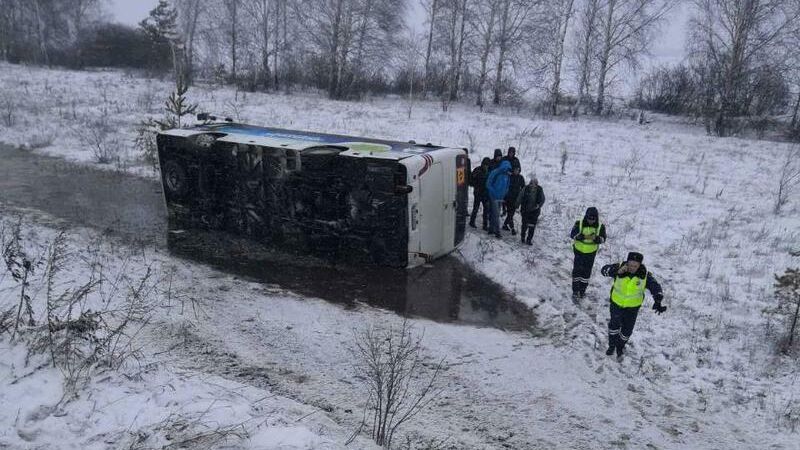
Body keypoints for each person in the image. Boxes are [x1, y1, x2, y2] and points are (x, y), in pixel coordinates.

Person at [600, 252, 666, 360]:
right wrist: (616, 271)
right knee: (614, 327)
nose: (632, 268)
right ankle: (612, 345)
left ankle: (620, 346)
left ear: (639, 265)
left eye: (635, 266)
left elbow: (655, 286)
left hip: (632, 309)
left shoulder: (644, 275)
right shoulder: (619, 267)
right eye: (630, 265)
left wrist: (658, 299)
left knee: (627, 331)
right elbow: (603, 270)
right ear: (627, 262)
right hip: (616, 304)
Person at [569, 207, 606, 299]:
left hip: (591, 253)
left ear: (596, 218)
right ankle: (575, 290)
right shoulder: (579, 223)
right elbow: (572, 234)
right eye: (589, 218)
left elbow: (603, 239)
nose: (591, 221)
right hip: (578, 252)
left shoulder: (600, 226)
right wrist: (579, 236)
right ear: (586, 216)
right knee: (577, 271)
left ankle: (582, 291)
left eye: (593, 219)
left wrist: (597, 239)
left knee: (586, 273)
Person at [485, 160, 512, 238]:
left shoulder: (507, 175)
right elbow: (488, 184)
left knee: (494, 213)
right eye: (507, 168)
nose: (508, 170)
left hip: (500, 198)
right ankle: (497, 232)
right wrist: (493, 192)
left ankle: (491, 229)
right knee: (496, 214)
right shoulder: (495, 172)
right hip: (493, 197)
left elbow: (507, 186)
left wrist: (504, 194)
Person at [516, 175, 545, 245]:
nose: (533, 185)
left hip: (535, 212)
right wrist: (517, 205)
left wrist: (538, 205)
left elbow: (543, 199)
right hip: (525, 210)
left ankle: (529, 239)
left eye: (535, 183)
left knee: (532, 226)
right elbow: (520, 197)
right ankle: (522, 237)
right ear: (530, 183)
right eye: (532, 183)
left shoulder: (540, 189)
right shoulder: (525, 189)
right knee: (524, 225)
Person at [469, 157, 491, 230]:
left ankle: (485, 225)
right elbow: (471, 180)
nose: (486, 166)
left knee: (486, 209)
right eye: (485, 165)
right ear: (482, 164)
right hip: (478, 192)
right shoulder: (477, 170)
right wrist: (476, 185)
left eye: (487, 165)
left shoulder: (489, 172)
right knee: (476, 208)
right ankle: (472, 222)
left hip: (485, 193)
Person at [502, 167, 525, 235]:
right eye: (515, 170)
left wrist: (521, 196)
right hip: (508, 198)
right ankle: (512, 229)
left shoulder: (521, 178)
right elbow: (504, 186)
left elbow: (523, 188)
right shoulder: (509, 177)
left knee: (511, 214)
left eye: (517, 170)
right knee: (510, 214)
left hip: (516, 199)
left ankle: (505, 225)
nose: (516, 171)